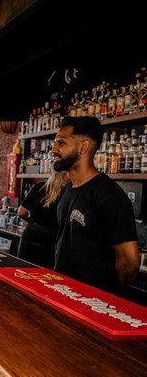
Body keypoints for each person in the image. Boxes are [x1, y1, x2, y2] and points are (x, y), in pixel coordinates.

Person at [51, 116, 140, 294]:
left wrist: (106, 297)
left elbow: (130, 262)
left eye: (61, 143)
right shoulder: (66, 191)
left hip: (89, 304)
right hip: (60, 292)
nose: (54, 149)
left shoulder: (109, 195)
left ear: (83, 147)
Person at [17, 171, 68, 268]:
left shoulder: (39, 186)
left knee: (23, 271)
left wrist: (27, 221)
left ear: (51, 172)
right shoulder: (67, 192)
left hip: (31, 232)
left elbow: (21, 212)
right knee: (43, 275)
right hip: (52, 237)